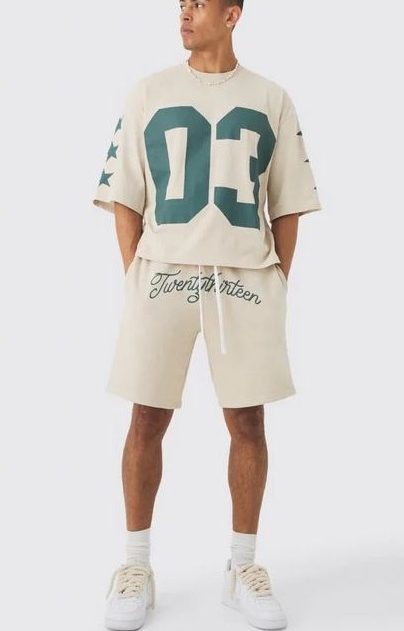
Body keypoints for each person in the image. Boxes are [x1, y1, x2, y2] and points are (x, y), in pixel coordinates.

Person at [93, 1, 322, 629]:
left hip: (243, 280)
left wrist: (276, 280)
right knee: (146, 416)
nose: (186, 13)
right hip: (162, 273)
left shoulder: (271, 97)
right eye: (182, 5)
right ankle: (135, 565)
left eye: (199, 3)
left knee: (247, 420)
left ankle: (241, 567)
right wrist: (137, 273)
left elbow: (288, 202)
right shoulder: (148, 92)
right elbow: (125, 193)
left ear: (233, 14)